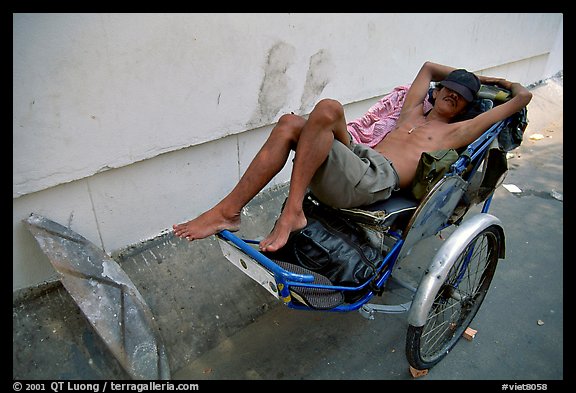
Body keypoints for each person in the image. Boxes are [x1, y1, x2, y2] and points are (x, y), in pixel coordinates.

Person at [173, 61, 532, 252]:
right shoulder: (411, 113)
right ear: (438, 92)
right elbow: (427, 68)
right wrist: (470, 76)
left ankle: (292, 211)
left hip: (376, 179)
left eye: (463, 97)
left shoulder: (456, 131)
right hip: (360, 158)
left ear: (466, 108)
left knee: (328, 108)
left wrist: (495, 85)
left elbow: (522, 99)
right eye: (451, 89)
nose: (454, 95)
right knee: (288, 124)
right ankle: (229, 211)